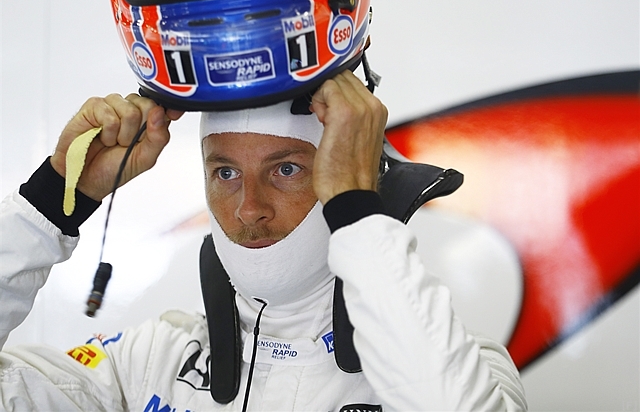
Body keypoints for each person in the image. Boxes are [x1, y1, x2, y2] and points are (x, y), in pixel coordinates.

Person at [0, 71, 527, 411]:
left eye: (287, 169)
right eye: (226, 173)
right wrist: (52, 200)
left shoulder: (459, 364)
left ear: (342, 175)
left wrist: (358, 208)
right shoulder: (151, 362)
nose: (248, 208)